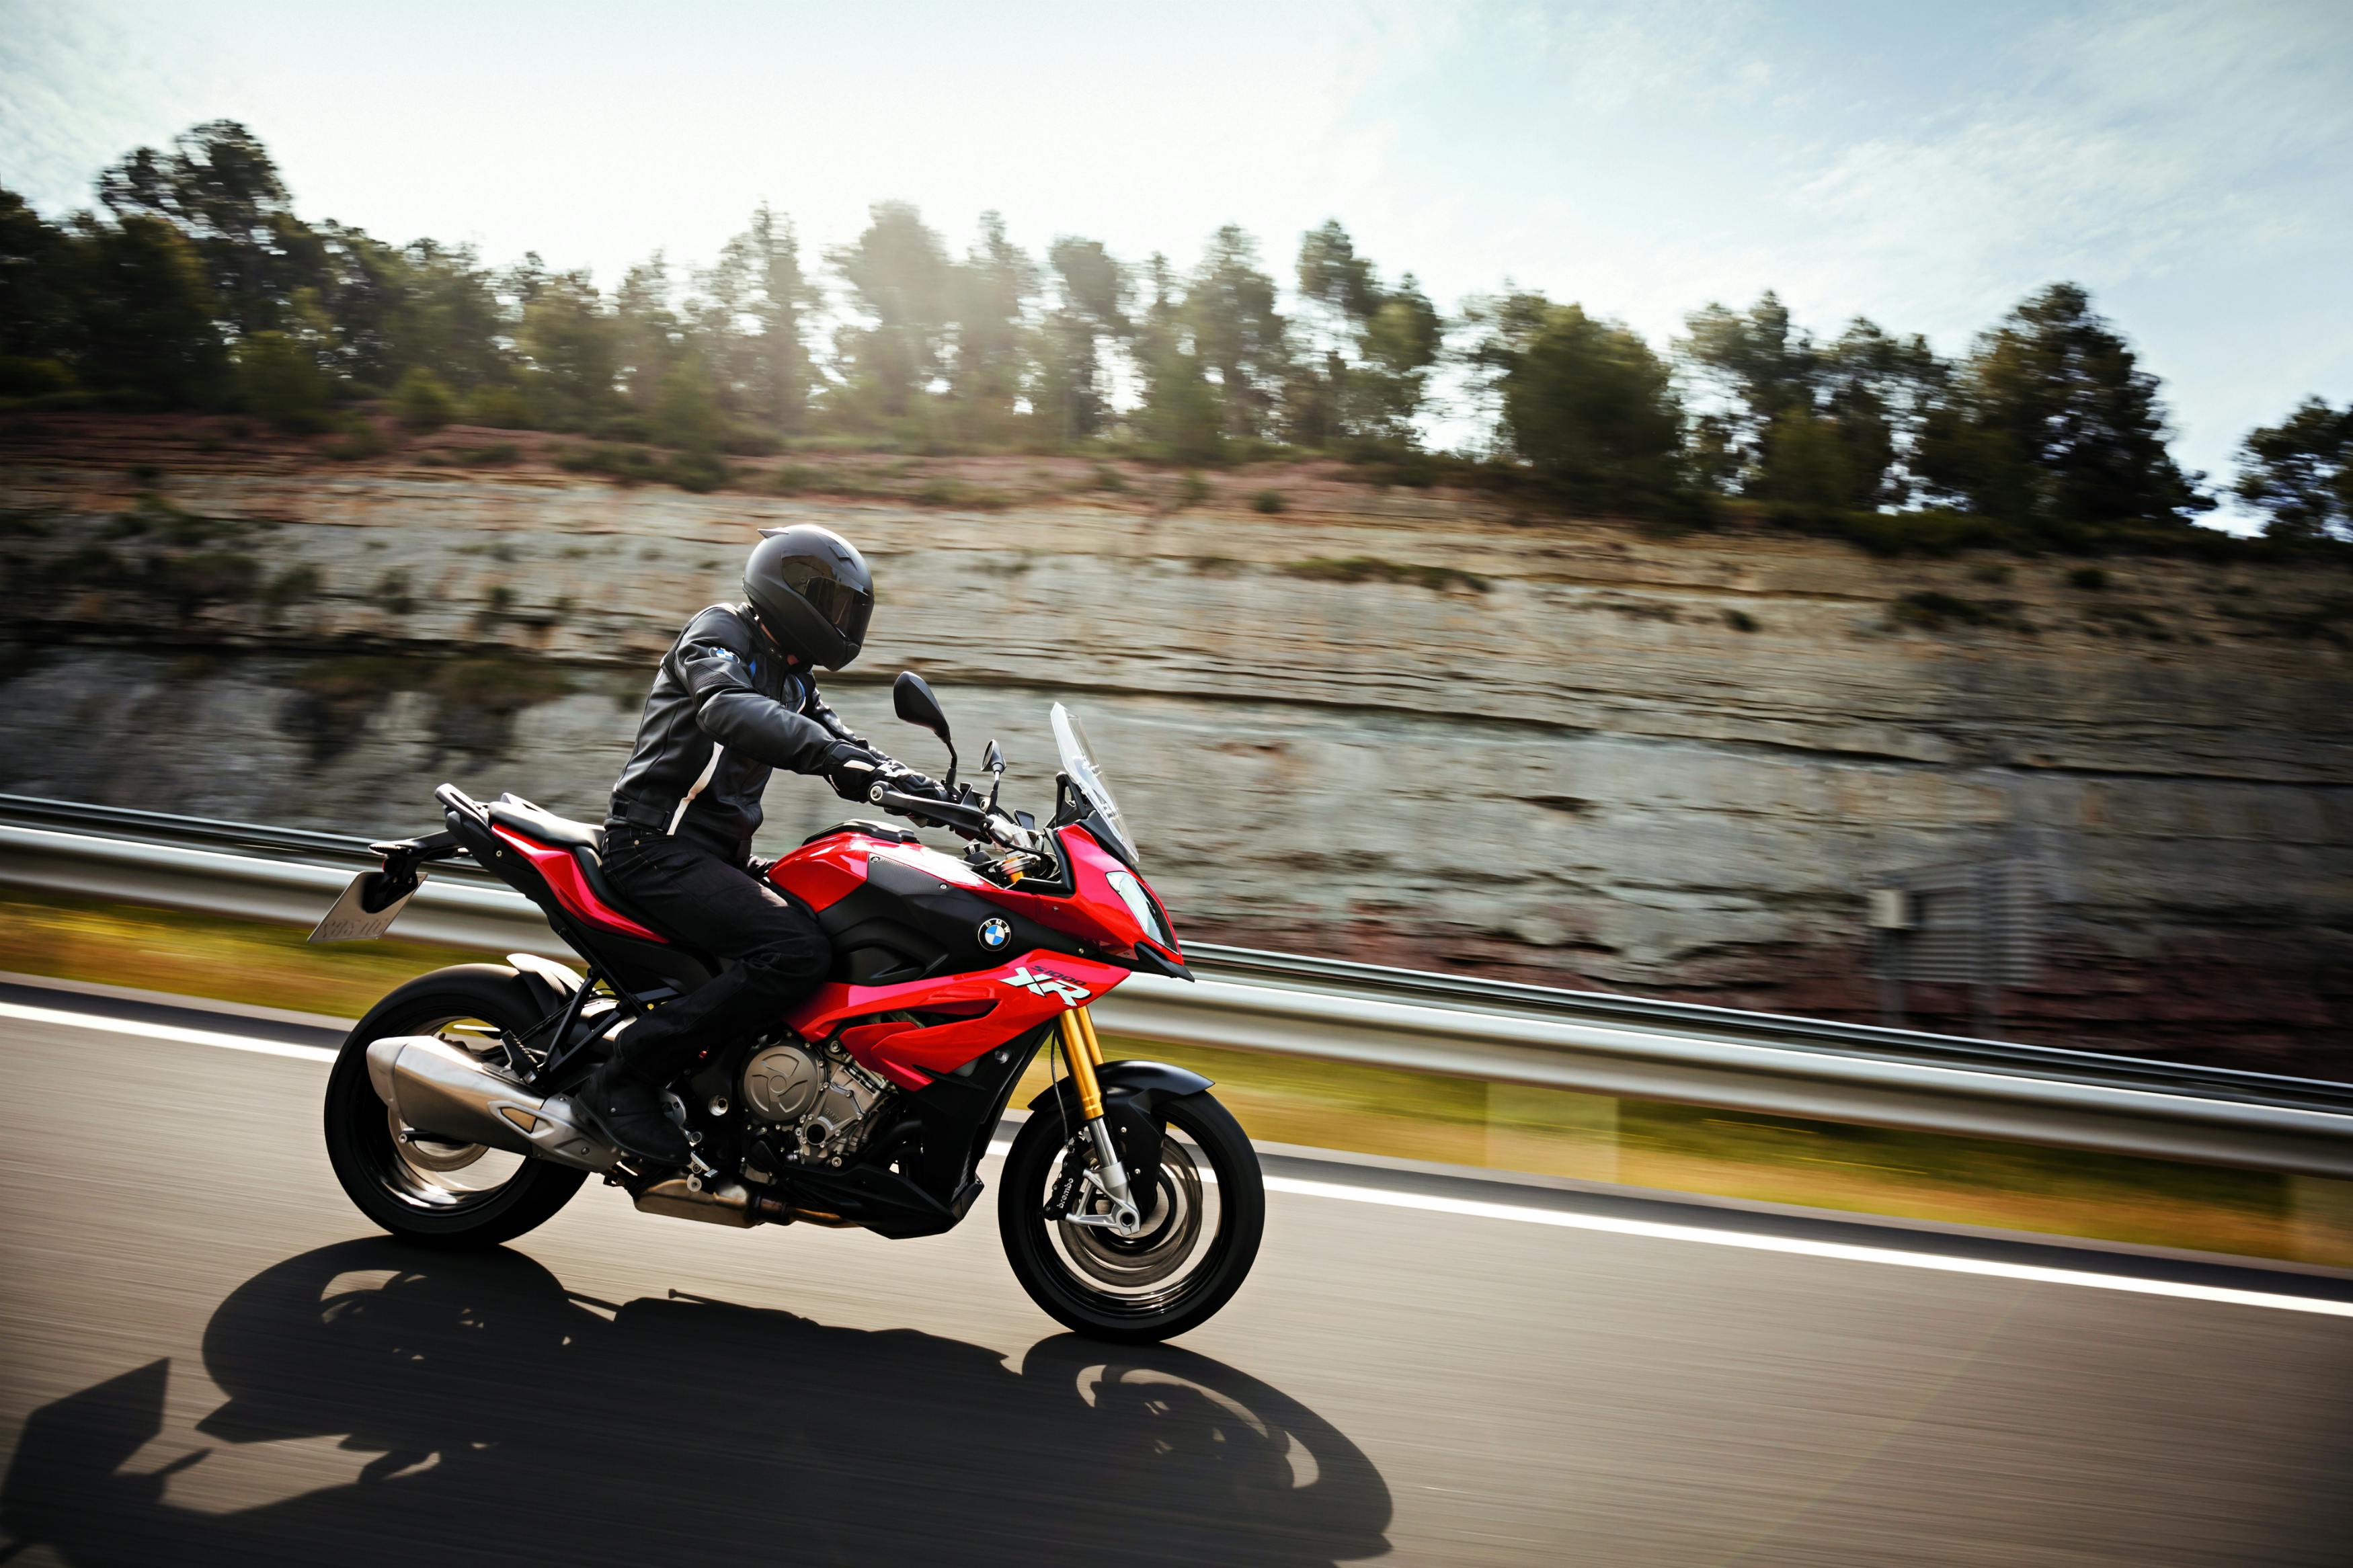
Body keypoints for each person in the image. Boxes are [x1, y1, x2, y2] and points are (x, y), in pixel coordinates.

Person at [580, 524, 942, 1164]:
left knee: (839, 925)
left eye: (847, 611)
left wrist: (925, 791)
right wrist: (831, 754)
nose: (841, 622)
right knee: (793, 951)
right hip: (652, 845)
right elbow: (729, 708)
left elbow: (840, 739)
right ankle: (625, 1075)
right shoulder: (720, 634)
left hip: (716, 857)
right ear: (787, 589)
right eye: (832, 606)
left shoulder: (793, 675)